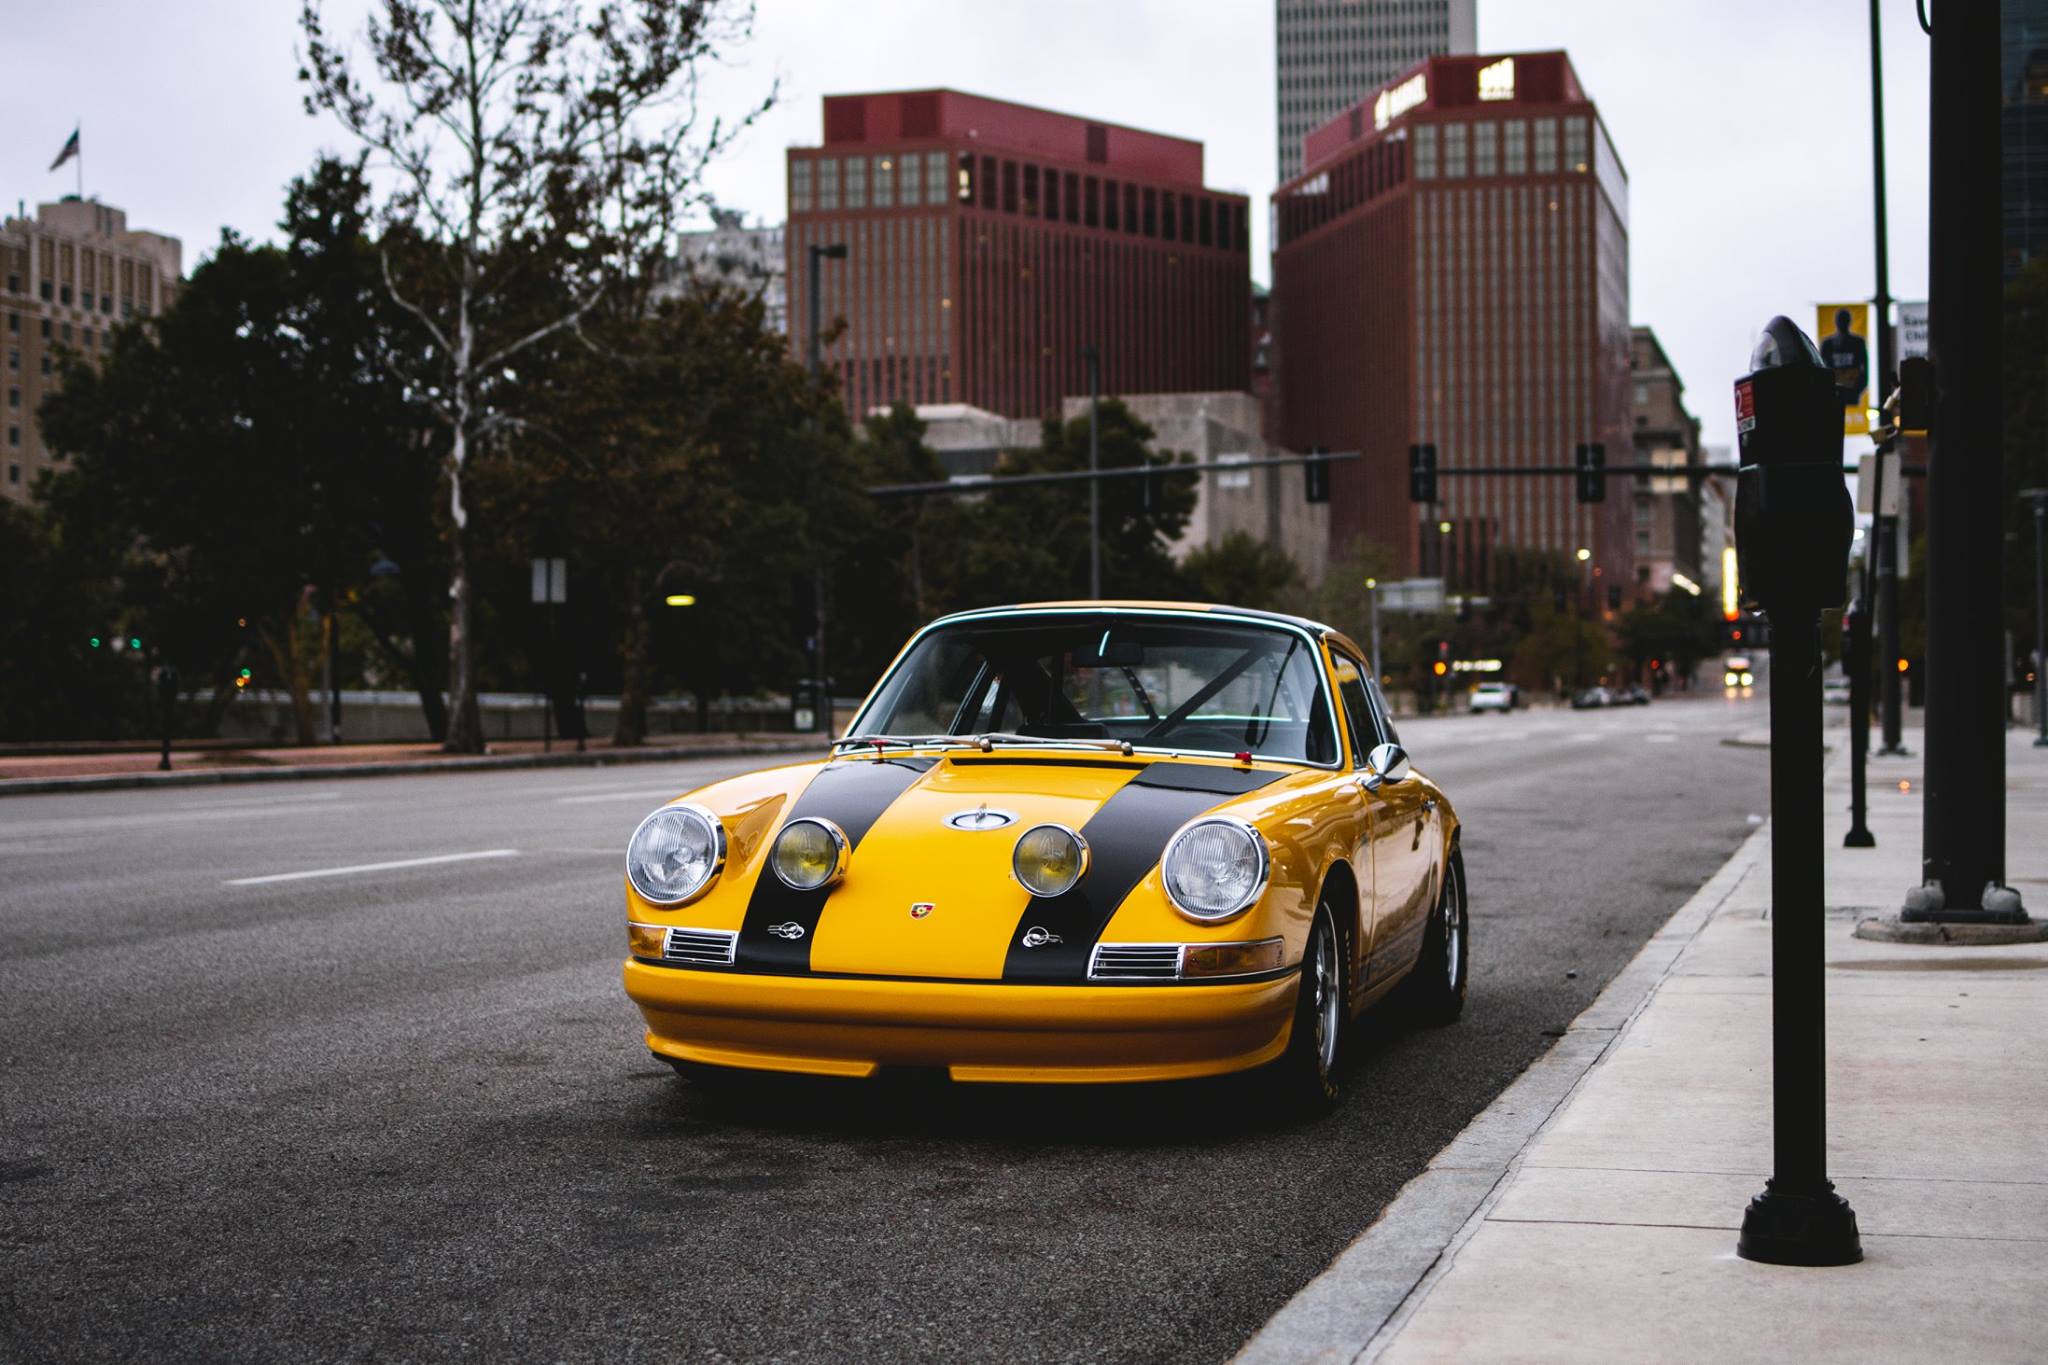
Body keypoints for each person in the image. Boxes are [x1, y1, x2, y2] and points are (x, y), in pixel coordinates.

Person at [1818, 307, 1869, 410]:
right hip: (1835, 391)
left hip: (1850, 391)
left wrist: (1858, 389)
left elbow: (1865, 368)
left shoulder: (1858, 342)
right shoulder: (1827, 344)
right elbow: (1820, 369)